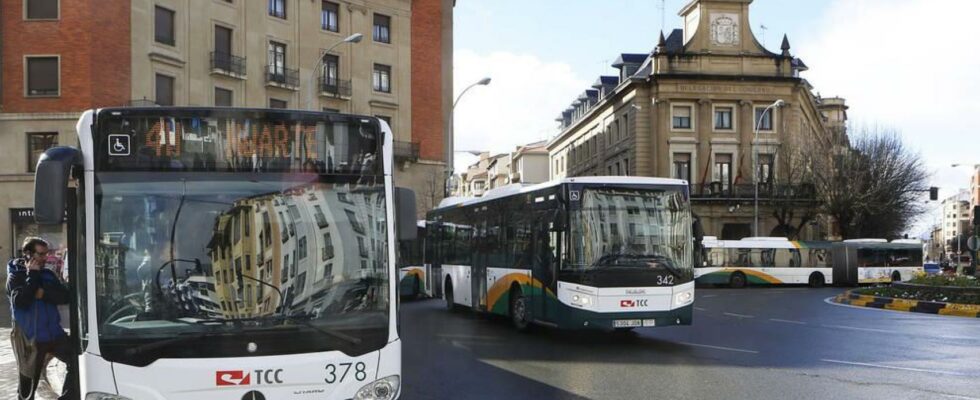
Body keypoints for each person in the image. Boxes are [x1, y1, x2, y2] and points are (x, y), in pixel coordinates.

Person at [7, 237, 76, 400]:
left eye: (47, 253)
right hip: (31, 340)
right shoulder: (15, 276)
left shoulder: (49, 275)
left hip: (54, 334)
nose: (46, 258)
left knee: (77, 361)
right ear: (28, 254)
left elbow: (65, 296)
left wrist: (43, 294)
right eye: (41, 254)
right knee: (27, 391)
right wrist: (33, 275)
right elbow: (21, 302)